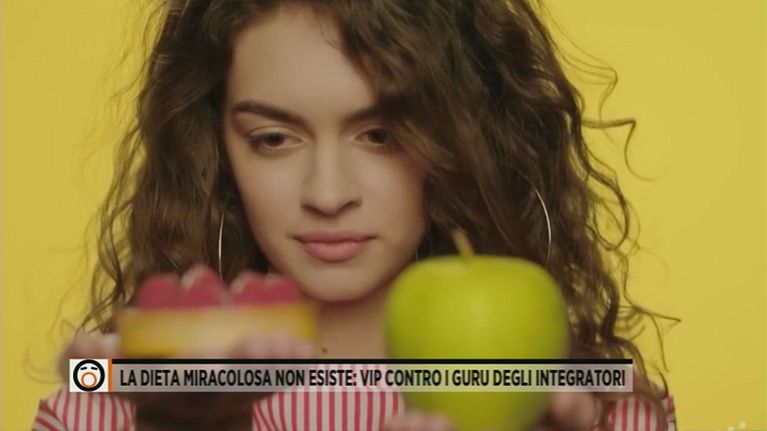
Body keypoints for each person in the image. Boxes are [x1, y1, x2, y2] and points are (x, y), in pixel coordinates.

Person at [32, 0, 678, 430]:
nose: (328, 193)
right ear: (215, 147)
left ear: (460, 140)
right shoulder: (112, 403)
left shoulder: (595, 407)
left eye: (380, 136)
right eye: (273, 138)